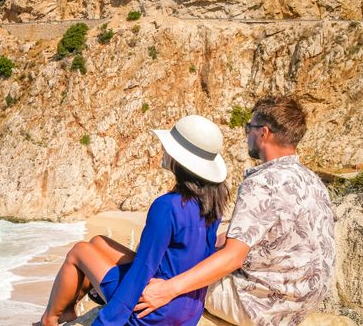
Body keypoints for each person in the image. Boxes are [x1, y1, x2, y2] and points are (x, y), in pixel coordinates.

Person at [133, 97, 336, 325]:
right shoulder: (312, 180)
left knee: (168, 264)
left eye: (249, 128)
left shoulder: (263, 183)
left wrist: (168, 289)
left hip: (261, 306)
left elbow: (233, 257)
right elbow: (256, 235)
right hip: (301, 303)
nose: (246, 134)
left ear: (263, 133)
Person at [40, 115, 231, 325]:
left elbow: (143, 268)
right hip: (187, 307)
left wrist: (106, 321)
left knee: (79, 251)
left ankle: (50, 319)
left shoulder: (167, 206)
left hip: (155, 310)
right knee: (98, 242)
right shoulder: (212, 204)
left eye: (168, 146)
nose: (163, 149)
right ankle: (68, 310)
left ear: (180, 160)